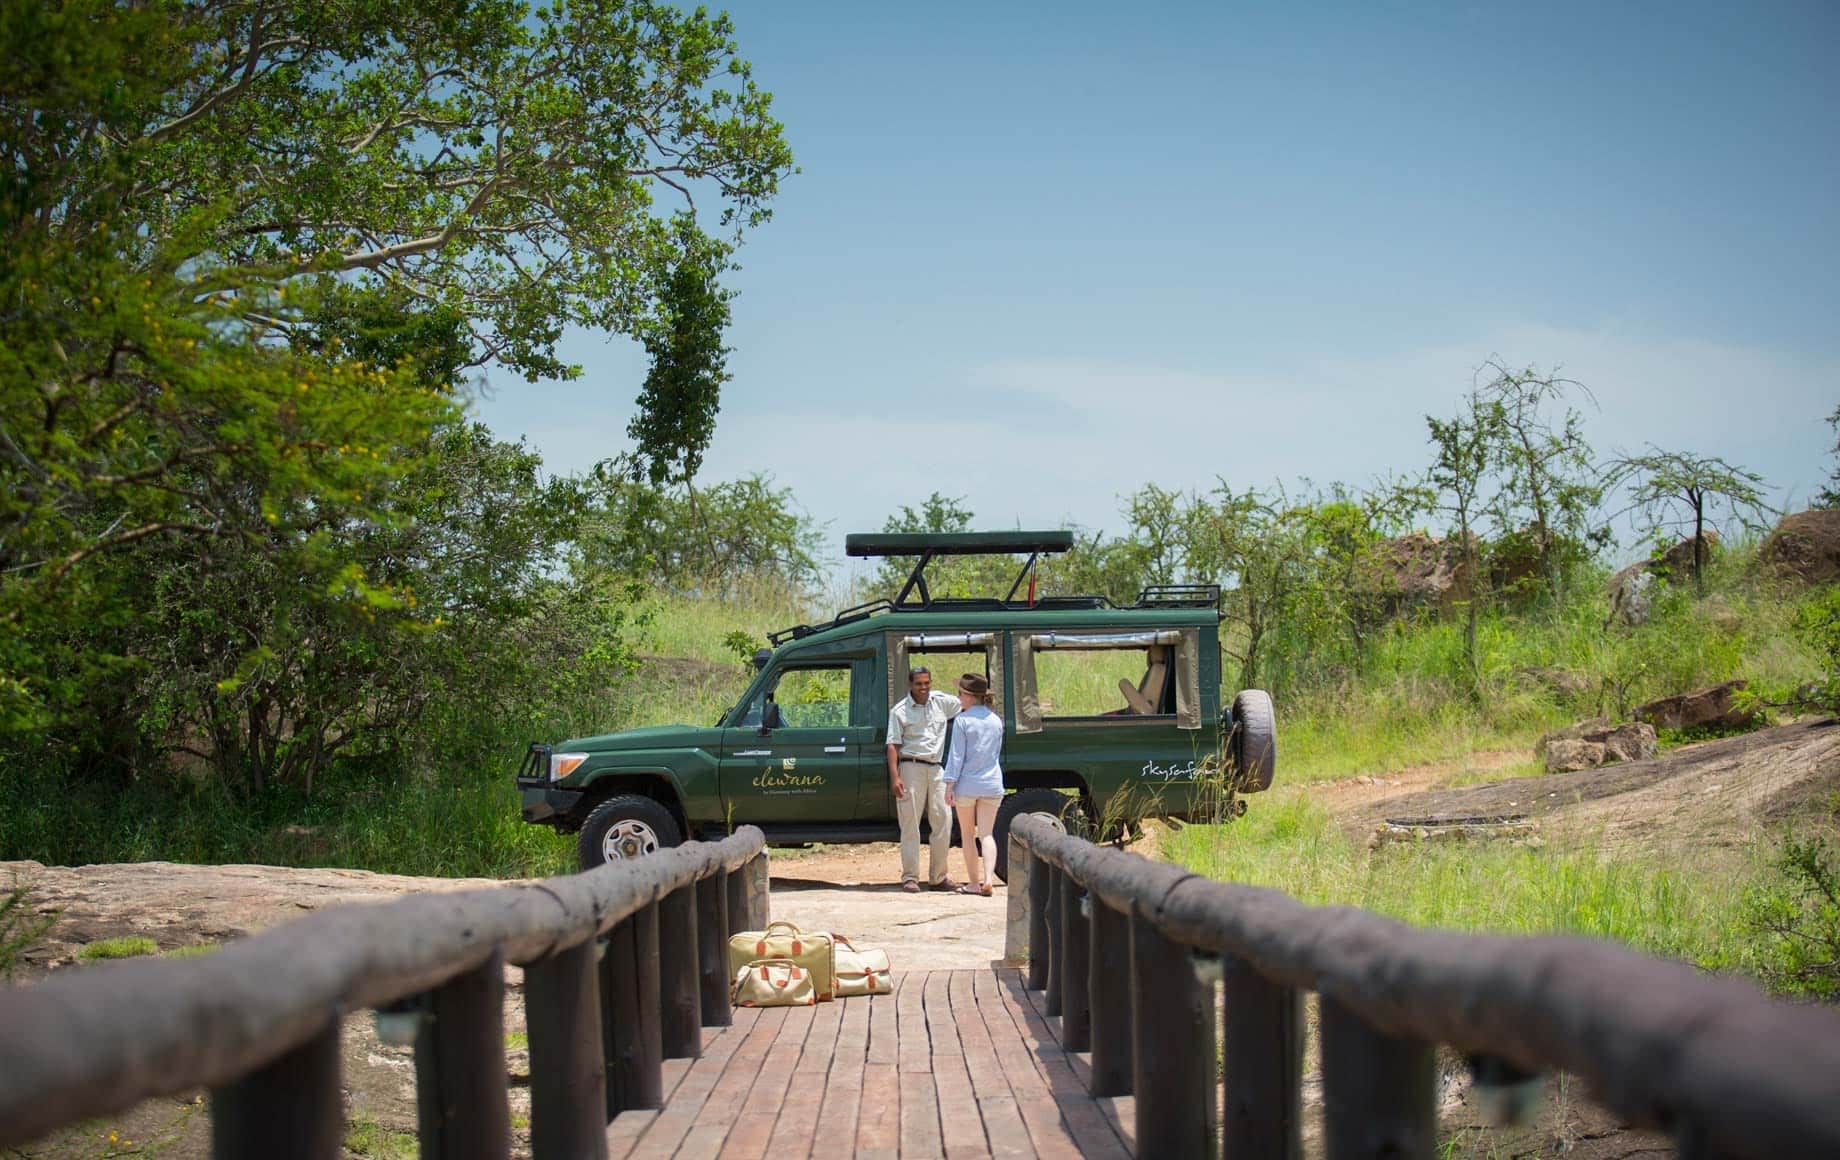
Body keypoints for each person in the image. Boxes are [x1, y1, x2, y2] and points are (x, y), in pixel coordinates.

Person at [886, 666, 961, 893]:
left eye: (927, 683)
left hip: (937, 769)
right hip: (911, 766)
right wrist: (895, 777)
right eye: (919, 683)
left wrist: (969, 684)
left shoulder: (940, 702)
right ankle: (910, 877)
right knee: (910, 824)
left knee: (943, 820)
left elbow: (966, 701)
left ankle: (938, 878)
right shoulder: (899, 710)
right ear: (910, 685)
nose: (923, 687)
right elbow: (892, 745)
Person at [942, 672, 1004, 896]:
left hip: (967, 784)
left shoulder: (963, 720)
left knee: (968, 835)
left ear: (969, 696)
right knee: (987, 834)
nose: (958, 697)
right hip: (992, 783)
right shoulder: (996, 720)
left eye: (960, 693)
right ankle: (989, 879)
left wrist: (949, 785)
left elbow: (956, 756)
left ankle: (974, 883)